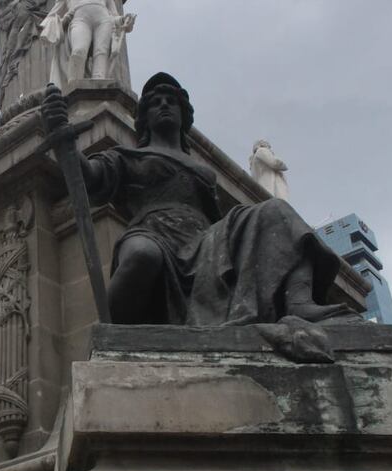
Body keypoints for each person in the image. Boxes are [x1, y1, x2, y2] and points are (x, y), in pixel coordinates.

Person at [42, 72, 354, 327]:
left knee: (276, 211)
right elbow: (90, 178)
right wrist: (64, 140)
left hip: (205, 240)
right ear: (145, 118)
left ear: (183, 114)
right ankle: (113, 331)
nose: (164, 106)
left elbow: (217, 218)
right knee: (141, 256)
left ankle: (299, 303)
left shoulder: (202, 170)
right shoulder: (127, 157)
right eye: (155, 103)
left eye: (171, 102)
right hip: (153, 231)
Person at [40, 0, 134, 86]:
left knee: (101, 53)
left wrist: (123, 20)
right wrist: (63, 20)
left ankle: (99, 86)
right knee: (78, 51)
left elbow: (114, 16)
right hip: (79, 19)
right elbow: (50, 18)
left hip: (104, 20)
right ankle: (74, 87)